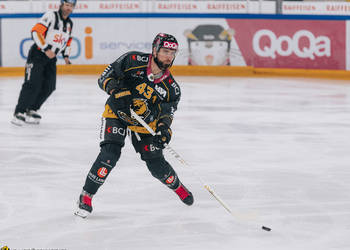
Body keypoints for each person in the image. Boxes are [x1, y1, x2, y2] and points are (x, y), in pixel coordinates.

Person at [75, 33, 194, 218]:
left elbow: (167, 112)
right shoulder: (132, 60)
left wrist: (164, 129)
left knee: (155, 161)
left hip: (144, 123)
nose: (169, 56)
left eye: (172, 52)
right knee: (109, 154)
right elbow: (105, 76)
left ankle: (177, 187)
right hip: (118, 113)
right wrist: (116, 90)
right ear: (154, 50)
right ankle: (86, 196)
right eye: (165, 51)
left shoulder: (172, 88)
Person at [11, 0, 75, 126]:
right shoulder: (51, 15)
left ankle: (32, 109)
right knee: (32, 83)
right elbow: (36, 32)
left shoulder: (69, 23)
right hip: (38, 54)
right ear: (61, 5)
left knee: (49, 86)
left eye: (71, 6)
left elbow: (67, 41)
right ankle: (20, 112)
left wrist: (66, 55)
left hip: (52, 58)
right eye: (67, 5)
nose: (69, 8)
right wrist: (46, 48)